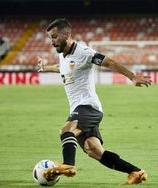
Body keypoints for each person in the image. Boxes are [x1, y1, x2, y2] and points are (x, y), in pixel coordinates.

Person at [36, 18, 152, 185]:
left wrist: (132, 77)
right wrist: (45, 67)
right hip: (80, 108)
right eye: (50, 38)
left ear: (67, 34)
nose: (52, 42)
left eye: (54, 37)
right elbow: (62, 67)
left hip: (88, 106)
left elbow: (109, 62)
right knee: (93, 150)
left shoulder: (84, 53)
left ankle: (69, 165)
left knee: (66, 130)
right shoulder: (64, 55)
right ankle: (135, 172)